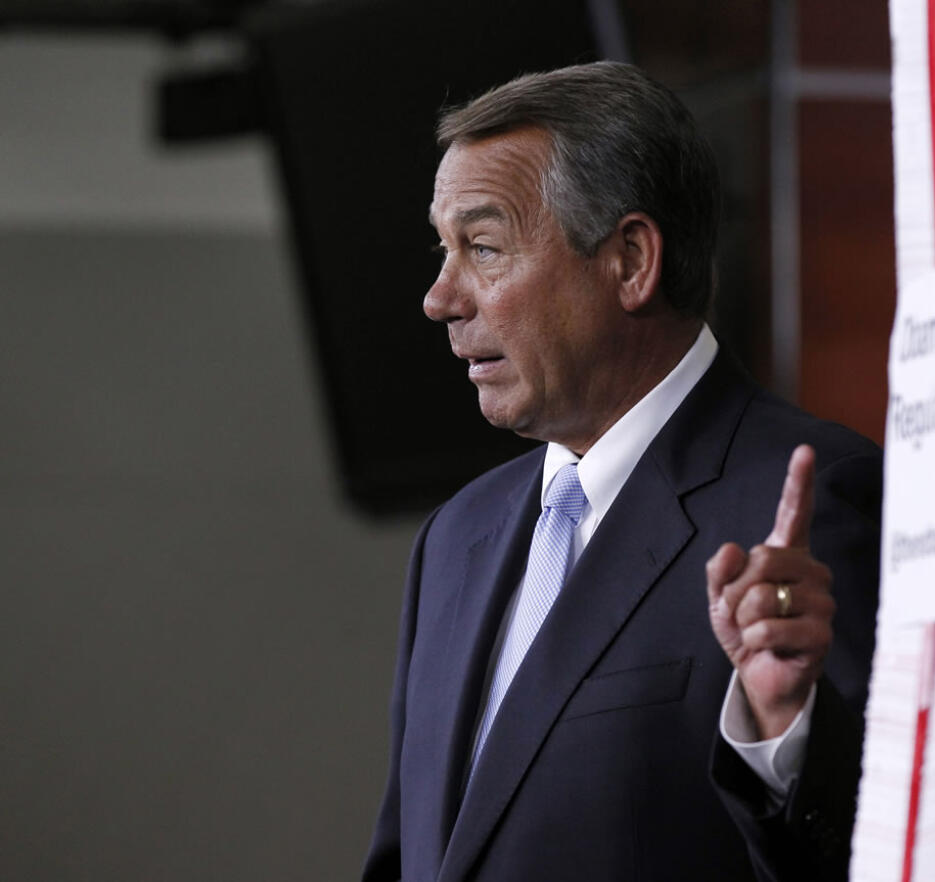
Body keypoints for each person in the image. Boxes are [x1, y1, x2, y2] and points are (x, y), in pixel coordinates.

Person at [362, 61, 881, 882]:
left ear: (631, 260)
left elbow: (882, 853)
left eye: (484, 248)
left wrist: (785, 727)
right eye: (445, 250)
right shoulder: (454, 537)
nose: (440, 297)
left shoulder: (810, 501)